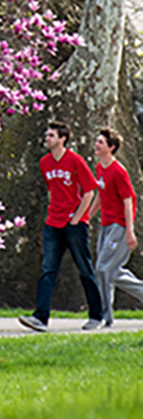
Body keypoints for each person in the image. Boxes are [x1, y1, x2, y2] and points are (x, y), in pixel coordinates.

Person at [18, 121, 104, 332]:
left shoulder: (75, 161)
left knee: (84, 269)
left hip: (74, 225)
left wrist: (77, 217)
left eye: (51, 135)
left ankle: (96, 315)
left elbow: (89, 191)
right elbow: (52, 190)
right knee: (47, 270)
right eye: (46, 135)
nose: (46, 138)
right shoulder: (44, 163)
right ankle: (40, 318)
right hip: (52, 224)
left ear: (62, 139)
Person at [90, 126, 143, 326]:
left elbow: (129, 199)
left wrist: (129, 231)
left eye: (100, 142)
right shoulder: (100, 168)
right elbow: (100, 196)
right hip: (105, 225)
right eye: (96, 141)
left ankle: (105, 315)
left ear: (111, 147)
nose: (96, 145)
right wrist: (86, 217)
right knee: (112, 271)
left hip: (119, 227)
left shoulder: (119, 171)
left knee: (103, 268)